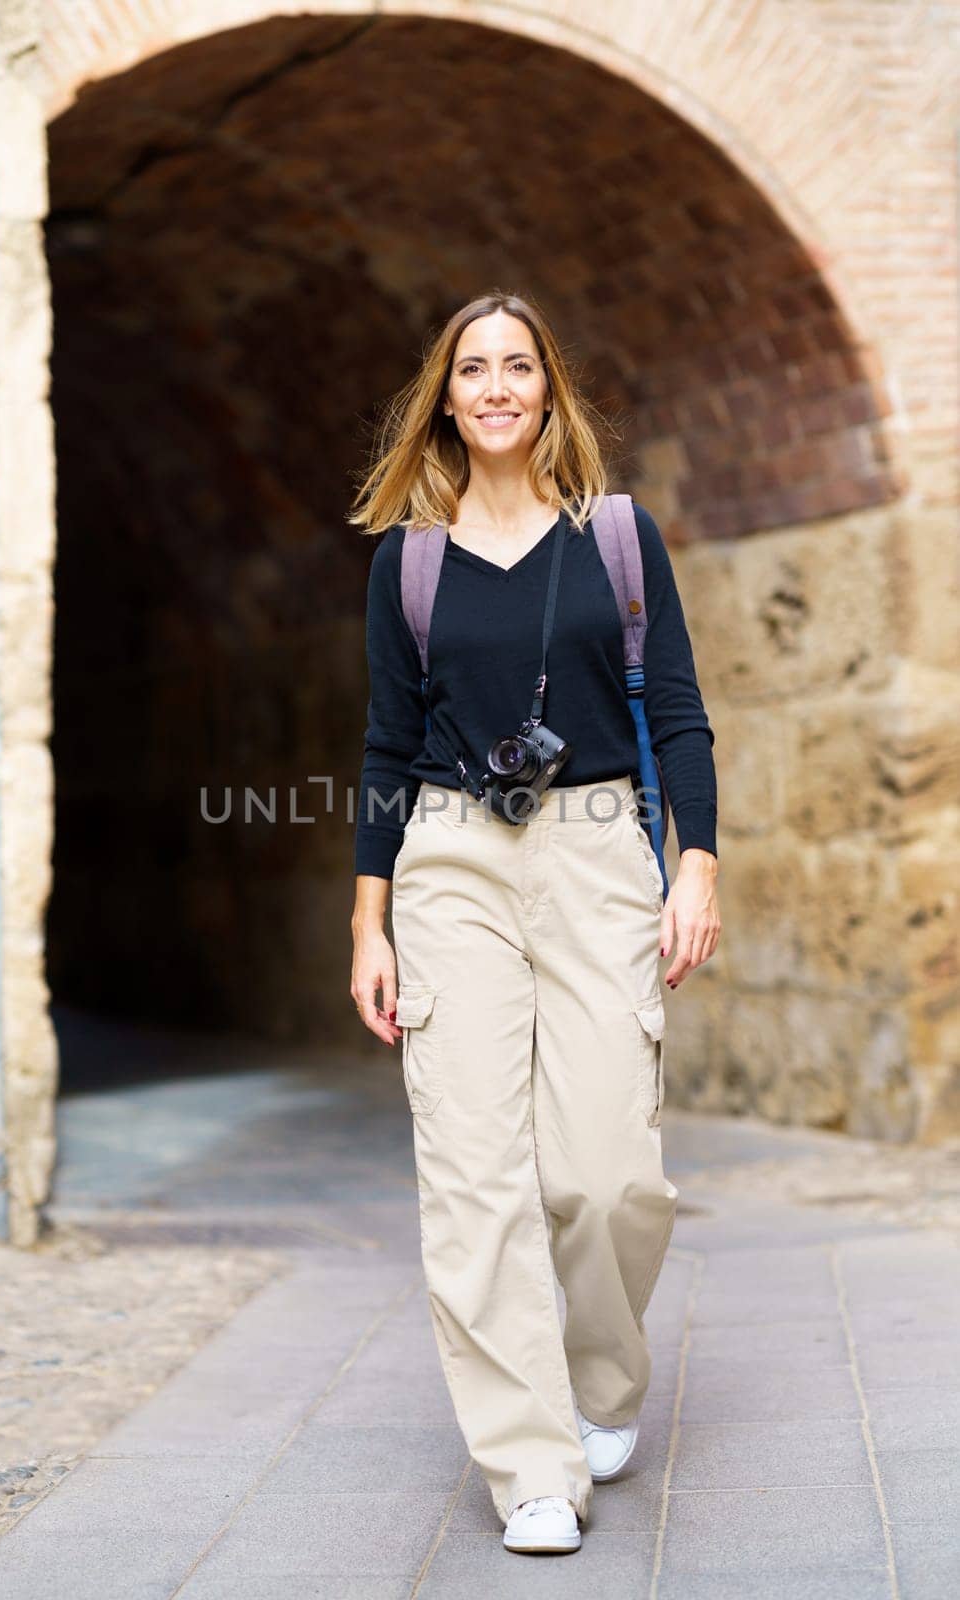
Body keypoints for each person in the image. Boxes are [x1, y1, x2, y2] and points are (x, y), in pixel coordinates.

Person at [347, 289, 721, 1556]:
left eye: (518, 366)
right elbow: (385, 752)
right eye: (472, 370)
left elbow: (675, 709)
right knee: (475, 1179)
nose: (496, 387)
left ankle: (601, 1384)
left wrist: (697, 864)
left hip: (598, 854)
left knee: (607, 1171)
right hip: (450, 858)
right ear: (443, 399)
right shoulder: (406, 562)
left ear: (548, 390)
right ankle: (529, 1463)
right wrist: (371, 920)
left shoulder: (616, 540)